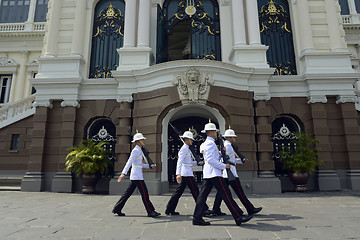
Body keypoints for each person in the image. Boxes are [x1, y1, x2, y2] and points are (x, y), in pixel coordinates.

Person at [192, 121, 253, 226]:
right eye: (215, 131)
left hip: (209, 173)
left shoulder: (206, 143)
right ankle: (238, 216)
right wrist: (224, 166)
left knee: (202, 197)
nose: (216, 133)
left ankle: (196, 218)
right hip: (214, 173)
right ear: (211, 132)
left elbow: (212, 157)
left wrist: (220, 153)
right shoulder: (211, 144)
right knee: (226, 195)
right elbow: (211, 160)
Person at [208, 128, 262, 216]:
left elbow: (231, 159)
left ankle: (216, 209)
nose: (234, 139)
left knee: (221, 193)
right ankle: (250, 208)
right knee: (239, 192)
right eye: (233, 137)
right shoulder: (228, 146)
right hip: (230, 172)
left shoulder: (228, 145)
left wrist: (241, 161)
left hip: (227, 172)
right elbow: (226, 159)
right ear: (229, 137)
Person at [112, 132, 161, 218]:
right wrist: (123, 173)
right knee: (145, 194)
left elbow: (140, 164)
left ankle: (117, 208)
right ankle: (150, 211)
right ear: (138, 141)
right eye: (142, 139)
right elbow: (129, 162)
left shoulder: (140, 150)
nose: (143, 141)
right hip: (137, 176)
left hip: (137, 175)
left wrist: (150, 166)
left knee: (127, 194)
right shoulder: (135, 151)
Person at [165, 130, 210, 215]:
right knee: (196, 192)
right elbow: (180, 162)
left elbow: (188, 162)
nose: (192, 141)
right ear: (187, 139)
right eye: (191, 140)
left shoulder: (188, 149)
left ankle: (169, 209)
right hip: (186, 174)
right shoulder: (184, 149)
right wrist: (178, 174)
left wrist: (198, 162)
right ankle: (203, 209)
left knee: (178, 192)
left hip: (187, 172)